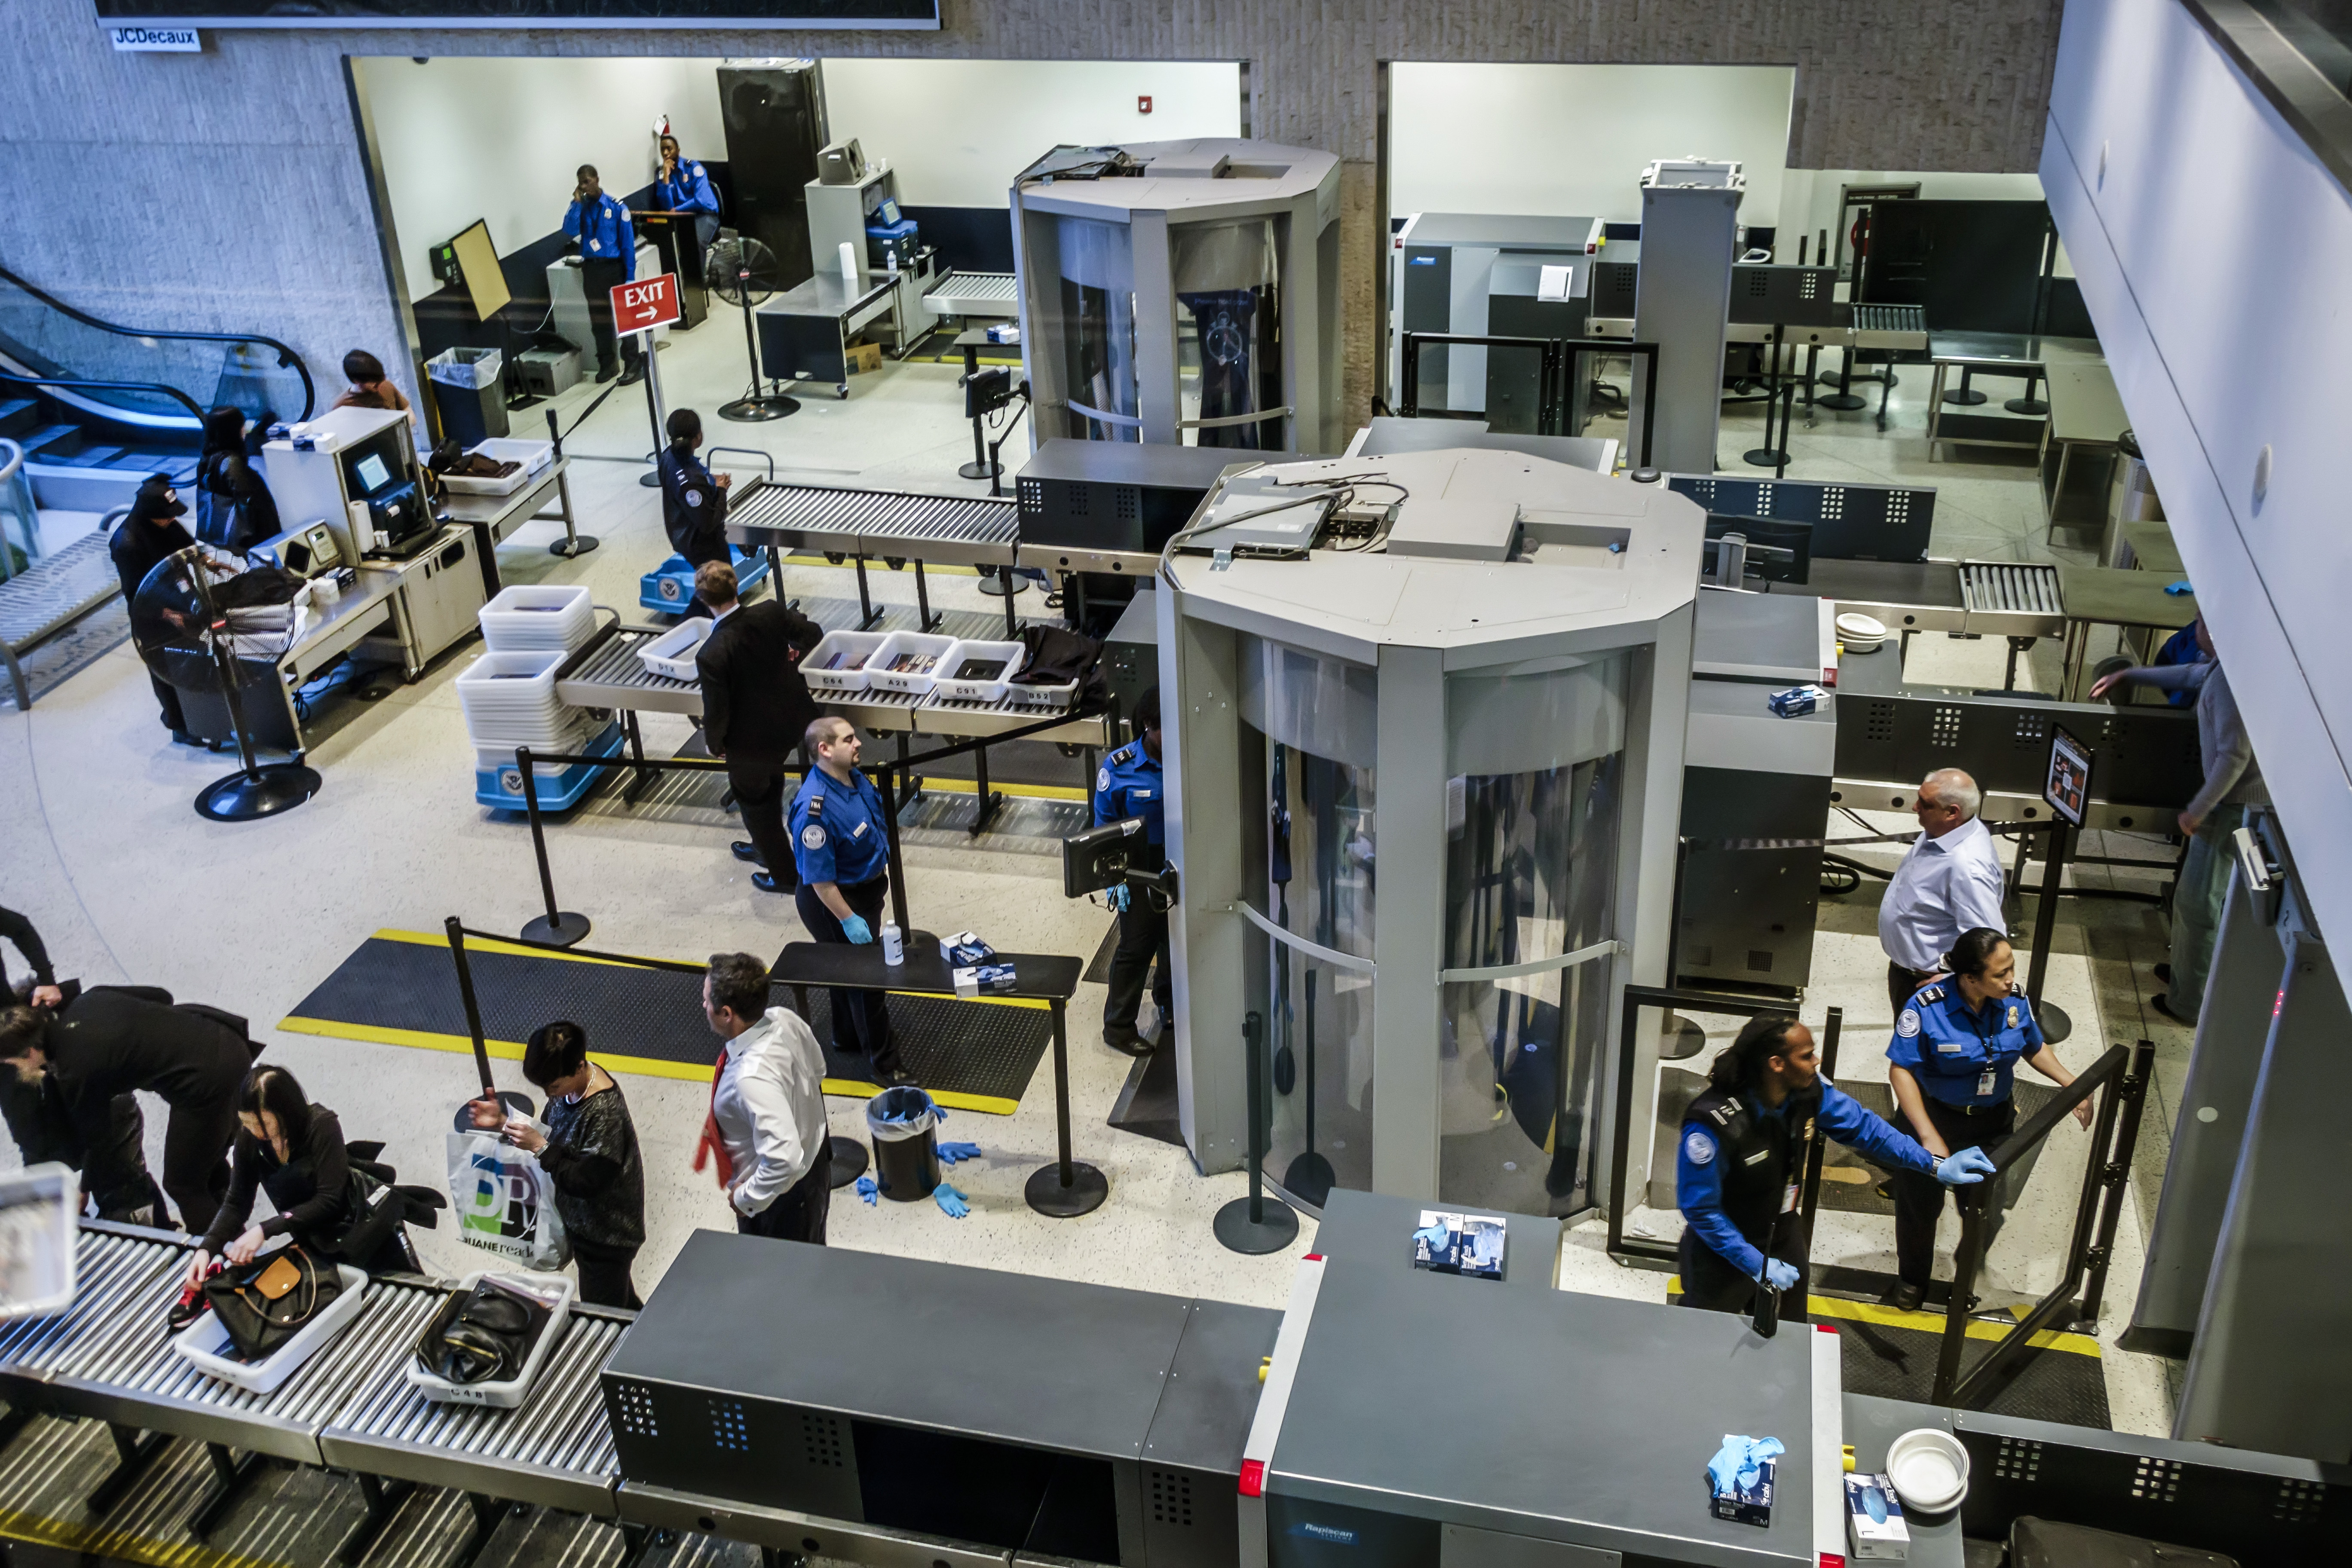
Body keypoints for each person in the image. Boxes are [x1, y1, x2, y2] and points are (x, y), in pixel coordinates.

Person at [1678, 1014, 1993, 1317]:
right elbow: (1701, 1210)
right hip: (1722, 1255)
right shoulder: (1714, 1125)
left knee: (1788, 1336)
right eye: (1807, 1055)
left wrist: (1935, 1165)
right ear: (1776, 1064)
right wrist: (1753, 1262)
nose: (1816, 1062)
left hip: (1783, 1235)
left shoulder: (1807, 1093)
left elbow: (1866, 1129)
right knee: (1709, 1343)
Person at [1886, 926, 2090, 1312]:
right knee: (1919, 1207)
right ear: (1969, 978)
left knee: (1979, 1203)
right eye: (2000, 974)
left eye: (2011, 968)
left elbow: (2032, 1045)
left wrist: (2072, 1082)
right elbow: (1902, 1071)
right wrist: (1928, 1136)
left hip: (1990, 1123)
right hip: (1931, 1119)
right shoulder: (1926, 1007)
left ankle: (1967, 1272)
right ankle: (1913, 1279)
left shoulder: (2013, 999)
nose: (2010, 979)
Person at [2091, 619, 2265, 1023]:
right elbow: (2192, 674)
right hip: (2229, 804)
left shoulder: (2231, 684)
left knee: (2198, 903)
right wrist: (2130, 673)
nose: (2196, 631)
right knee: (2193, 899)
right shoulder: (2230, 666)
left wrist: (2198, 810)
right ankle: (2188, 975)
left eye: (2203, 623)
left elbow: (2233, 757)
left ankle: (2190, 1003)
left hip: (2230, 807)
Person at [0, 986, 258, 1235]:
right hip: (229, 1043)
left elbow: (99, 1139)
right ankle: (237, 1241)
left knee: (183, 1185)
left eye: (13, 1065)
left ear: (30, 1052)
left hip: (208, 1082)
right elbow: (162, 996)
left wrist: (82, 1191)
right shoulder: (90, 999)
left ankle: (220, 1265)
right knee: (205, 1167)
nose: (19, 1074)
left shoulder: (74, 1070)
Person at [188, 1066, 421, 1284]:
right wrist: (207, 1247)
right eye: (246, 1123)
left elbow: (330, 1199)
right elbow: (237, 1203)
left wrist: (266, 1229)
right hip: (318, 1242)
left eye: (263, 1123)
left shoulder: (321, 1126)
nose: (254, 1131)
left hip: (366, 1229)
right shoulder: (250, 1141)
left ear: (285, 1113)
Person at [468, 1021, 645, 1308]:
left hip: (606, 1236)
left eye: (554, 1086)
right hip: (581, 1224)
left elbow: (585, 1182)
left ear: (578, 1067)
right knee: (620, 1298)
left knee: (604, 1311)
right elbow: (554, 1136)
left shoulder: (604, 1113)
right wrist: (503, 1123)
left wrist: (540, 1147)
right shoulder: (571, 1086)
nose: (550, 1094)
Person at [790, 718, 912, 1085]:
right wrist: (848, 919)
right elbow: (820, 880)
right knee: (866, 982)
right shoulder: (815, 810)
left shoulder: (854, 778)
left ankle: (846, 1036)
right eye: (848, 740)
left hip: (866, 891)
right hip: (836, 903)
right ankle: (886, 1065)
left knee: (844, 969)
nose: (858, 743)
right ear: (824, 749)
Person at [692, 559, 823, 892]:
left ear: (703, 599)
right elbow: (813, 633)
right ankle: (767, 846)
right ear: (736, 586)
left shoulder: (712, 653)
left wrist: (715, 744)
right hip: (792, 720)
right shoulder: (770, 613)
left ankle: (783, 874)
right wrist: (795, 652)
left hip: (752, 743)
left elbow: (717, 710)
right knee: (771, 782)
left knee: (756, 805)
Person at [696, 952, 832, 1244]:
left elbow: (785, 1159)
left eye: (708, 1000)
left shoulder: (750, 1078)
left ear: (727, 1014)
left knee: (785, 1280)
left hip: (779, 1203)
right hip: (815, 1168)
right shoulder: (784, 1018)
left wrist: (746, 1199)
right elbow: (818, 1071)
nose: (704, 1005)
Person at [1878, 768, 2007, 1021]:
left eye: (1925, 804)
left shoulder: (1967, 867)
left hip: (1932, 987)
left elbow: (1990, 941)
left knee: (1920, 1059)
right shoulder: (1941, 831)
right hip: (1906, 974)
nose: (1915, 808)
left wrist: (1950, 981)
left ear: (1952, 813)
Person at [1093, 689, 1170, 1055]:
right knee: (1137, 946)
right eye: (1163, 730)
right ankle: (1119, 1027)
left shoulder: (1187, 755)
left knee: (1175, 938)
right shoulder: (1119, 768)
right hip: (1138, 865)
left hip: (1177, 857)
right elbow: (1104, 828)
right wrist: (1113, 880)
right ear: (1147, 726)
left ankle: (1169, 1003)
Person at [109, 474, 198, 744]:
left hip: (181, 600)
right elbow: (137, 595)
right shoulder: (127, 543)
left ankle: (207, 716)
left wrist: (209, 563)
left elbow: (189, 549)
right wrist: (171, 616)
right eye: (167, 516)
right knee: (168, 671)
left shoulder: (166, 523)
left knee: (196, 664)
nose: (172, 519)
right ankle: (180, 726)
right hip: (153, 616)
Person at [563, 165, 643, 386]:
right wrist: (576, 203)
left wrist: (630, 277)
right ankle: (607, 364)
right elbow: (569, 230)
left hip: (614, 268)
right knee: (599, 320)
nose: (584, 186)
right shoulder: (582, 207)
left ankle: (633, 364)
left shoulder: (617, 208)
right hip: (592, 269)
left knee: (625, 319)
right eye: (581, 182)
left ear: (597, 179)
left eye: (587, 181)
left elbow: (627, 245)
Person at [659, 408, 735, 594]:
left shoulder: (667, 457)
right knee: (722, 591)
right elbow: (708, 522)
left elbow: (680, 488)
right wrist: (721, 490)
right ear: (698, 437)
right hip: (702, 545)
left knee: (710, 589)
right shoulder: (691, 480)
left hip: (681, 533)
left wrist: (709, 481)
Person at [193, 406, 279, 554]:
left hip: (219, 541)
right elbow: (253, 502)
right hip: (243, 544)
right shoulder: (232, 463)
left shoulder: (207, 459)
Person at [656, 132, 722, 286]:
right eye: (662, 150)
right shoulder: (661, 173)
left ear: (678, 150)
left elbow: (701, 201)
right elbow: (666, 206)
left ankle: (697, 284)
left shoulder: (694, 168)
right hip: (681, 218)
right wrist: (666, 178)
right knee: (669, 245)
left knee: (695, 242)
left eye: (669, 149)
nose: (666, 153)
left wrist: (677, 209)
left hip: (705, 215)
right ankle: (678, 287)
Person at [330, 350, 416, 422]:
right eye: (373, 381)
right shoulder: (342, 406)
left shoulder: (386, 385)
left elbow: (407, 410)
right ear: (357, 381)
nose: (379, 384)